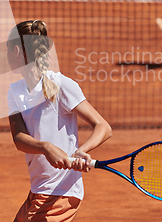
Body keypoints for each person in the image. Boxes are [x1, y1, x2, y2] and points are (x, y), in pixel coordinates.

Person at [7, 20, 112, 222]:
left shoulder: (60, 84)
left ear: (17, 51)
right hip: (39, 189)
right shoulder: (15, 91)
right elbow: (19, 139)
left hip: (61, 191)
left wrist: (82, 150)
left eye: (7, 49)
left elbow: (103, 127)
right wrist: (45, 147)